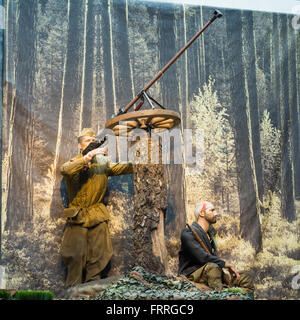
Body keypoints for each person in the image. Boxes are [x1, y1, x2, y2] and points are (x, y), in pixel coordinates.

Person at [60, 128, 133, 288]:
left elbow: (127, 167)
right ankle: (73, 293)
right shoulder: (76, 162)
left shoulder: (102, 163)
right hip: (78, 216)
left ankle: (93, 290)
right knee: (75, 256)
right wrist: (88, 156)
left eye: (94, 141)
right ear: (80, 145)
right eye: (87, 141)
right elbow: (65, 170)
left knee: (99, 254)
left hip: (97, 215)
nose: (91, 143)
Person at [178, 201, 254, 293]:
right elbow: (202, 257)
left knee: (245, 277)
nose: (216, 213)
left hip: (211, 272)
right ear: (201, 213)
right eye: (212, 210)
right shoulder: (188, 233)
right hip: (192, 275)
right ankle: (219, 294)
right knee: (213, 267)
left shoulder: (210, 235)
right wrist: (224, 264)